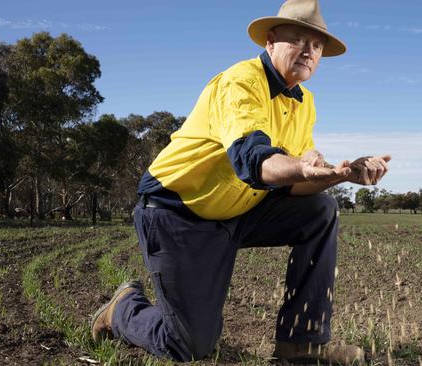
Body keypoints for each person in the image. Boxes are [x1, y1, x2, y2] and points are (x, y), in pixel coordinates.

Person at [90, 0, 390, 363]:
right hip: (178, 214)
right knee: (189, 346)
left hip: (238, 212)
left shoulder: (304, 101)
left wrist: (340, 175)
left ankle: (301, 346)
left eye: (317, 45)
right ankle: (123, 308)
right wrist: (305, 168)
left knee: (321, 209)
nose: (309, 51)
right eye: (298, 39)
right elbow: (255, 161)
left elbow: (297, 182)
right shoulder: (241, 83)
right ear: (271, 41)